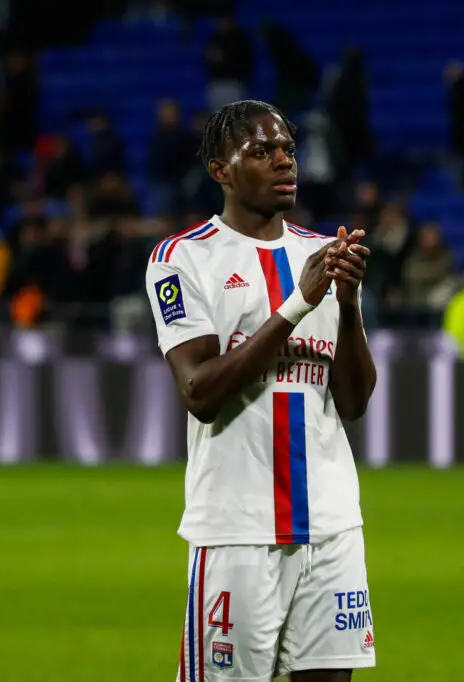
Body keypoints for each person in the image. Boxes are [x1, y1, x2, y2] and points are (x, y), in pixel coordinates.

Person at [144, 100, 377, 682]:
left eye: (288, 150)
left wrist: (347, 304)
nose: (283, 161)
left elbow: (353, 403)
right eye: (261, 151)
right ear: (220, 170)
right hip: (237, 530)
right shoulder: (183, 258)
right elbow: (199, 391)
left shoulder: (320, 255)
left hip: (331, 524)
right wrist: (298, 304)